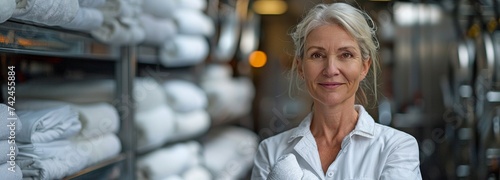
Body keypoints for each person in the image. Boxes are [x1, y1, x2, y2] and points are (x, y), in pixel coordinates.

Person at [251, 2, 422, 180]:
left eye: (346, 54)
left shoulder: (396, 148)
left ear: (364, 66)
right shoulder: (270, 153)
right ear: (301, 67)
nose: (331, 69)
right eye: (317, 55)